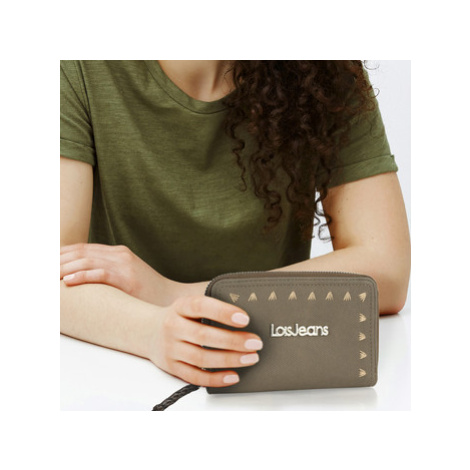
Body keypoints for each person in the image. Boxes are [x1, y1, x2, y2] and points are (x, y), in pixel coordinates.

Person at [60, 60, 410, 388]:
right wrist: (151, 331)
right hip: (116, 375)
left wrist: (174, 294)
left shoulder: (323, 69)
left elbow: (387, 269)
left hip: (270, 368)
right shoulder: (77, 66)